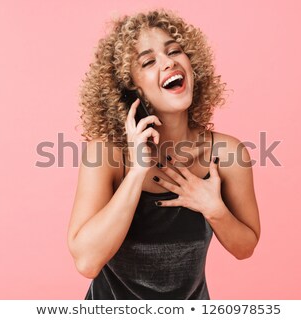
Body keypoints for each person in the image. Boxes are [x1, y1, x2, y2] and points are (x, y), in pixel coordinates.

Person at [67, 9, 260, 299]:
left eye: (175, 51)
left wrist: (214, 208)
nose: (169, 62)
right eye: (148, 61)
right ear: (131, 90)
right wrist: (136, 173)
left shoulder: (228, 153)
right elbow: (87, 261)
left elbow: (245, 248)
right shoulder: (106, 154)